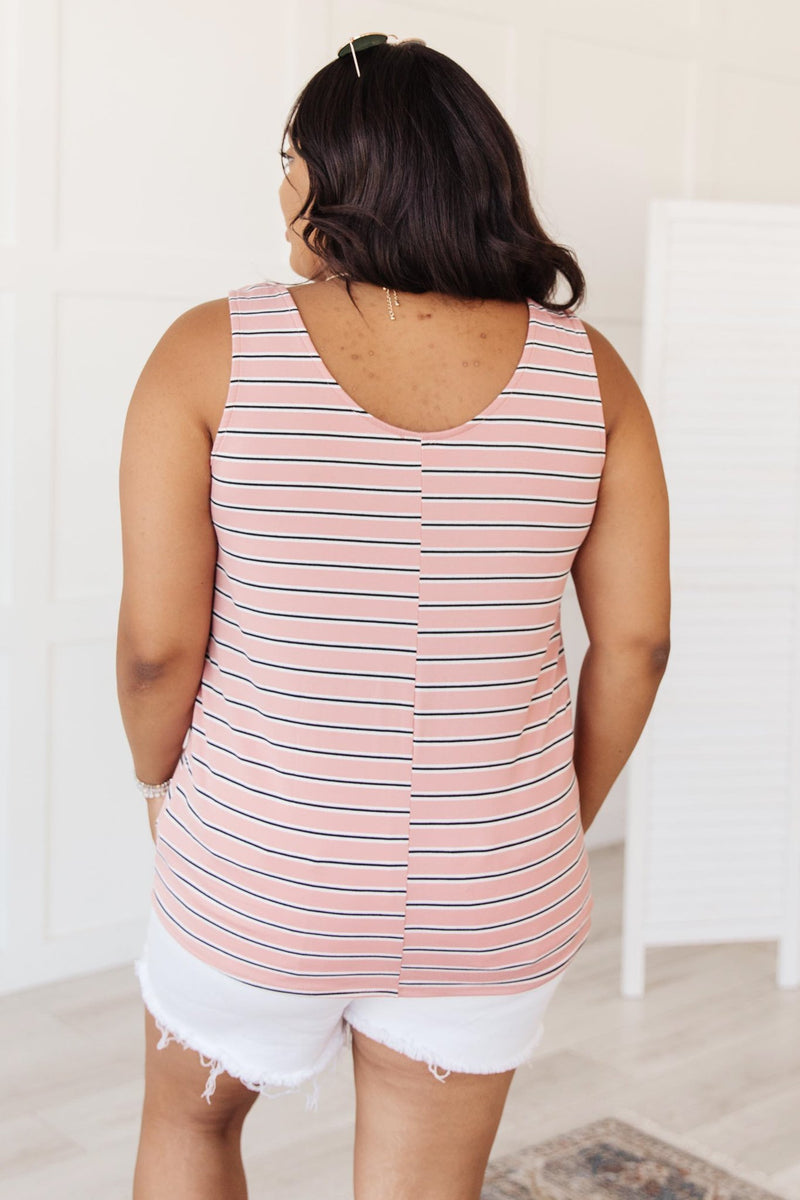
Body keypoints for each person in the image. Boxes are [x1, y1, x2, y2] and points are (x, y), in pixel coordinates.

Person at [117, 33, 670, 1200]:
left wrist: (159, 784)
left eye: (291, 157)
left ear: (342, 172)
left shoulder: (211, 352)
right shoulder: (595, 378)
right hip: (493, 878)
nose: (280, 188)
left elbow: (161, 651)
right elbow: (635, 644)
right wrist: (543, 820)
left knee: (191, 1133)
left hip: (257, 864)